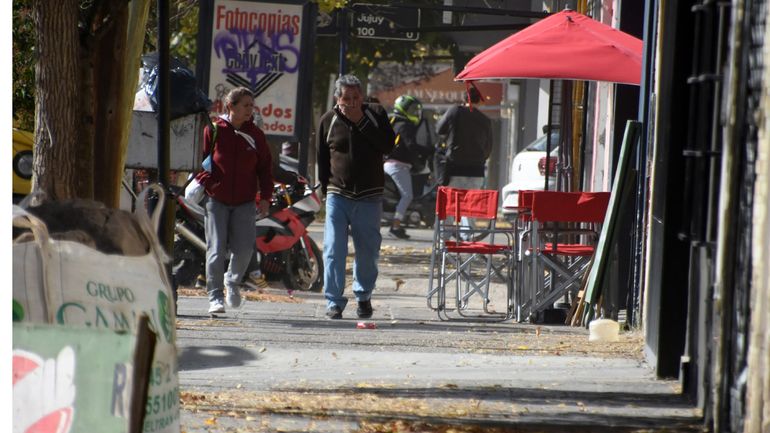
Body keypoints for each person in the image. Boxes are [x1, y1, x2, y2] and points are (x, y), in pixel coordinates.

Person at [317, 74, 396, 319]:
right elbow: (321, 158)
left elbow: (387, 146)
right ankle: (333, 301)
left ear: (362, 96)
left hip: (369, 195)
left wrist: (360, 121)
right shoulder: (328, 120)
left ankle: (363, 296)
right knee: (333, 249)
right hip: (337, 194)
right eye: (346, 99)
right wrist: (323, 188)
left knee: (368, 250)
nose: (351, 103)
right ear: (337, 98)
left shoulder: (375, 114)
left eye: (355, 98)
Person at [195, 87, 273, 314]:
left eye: (252, 105)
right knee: (216, 249)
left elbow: (265, 170)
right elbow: (199, 160)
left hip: (245, 202)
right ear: (231, 107)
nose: (251, 109)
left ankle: (232, 281)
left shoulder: (256, 135)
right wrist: (209, 183)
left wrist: (265, 198)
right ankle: (215, 296)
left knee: (244, 250)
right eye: (246, 105)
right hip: (216, 200)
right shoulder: (215, 129)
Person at [435, 86, 493, 236]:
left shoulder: (455, 111)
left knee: (448, 204)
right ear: (479, 101)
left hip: (455, 167)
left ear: (464, 99)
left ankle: (444, 239)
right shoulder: (486, 121)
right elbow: (488, 148)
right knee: (470, 206)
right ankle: (467, 237)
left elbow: (439, 129)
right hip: (476, 170)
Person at [384, 95, 428, 239]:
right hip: (398, 166)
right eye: (412, 109)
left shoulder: (394, 122)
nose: (415, 112)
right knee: (407, 196)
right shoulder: (405, 125)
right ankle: (395, 227)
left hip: (389, 164)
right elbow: (410, 145)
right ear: (404, 109)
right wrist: (427, 151)